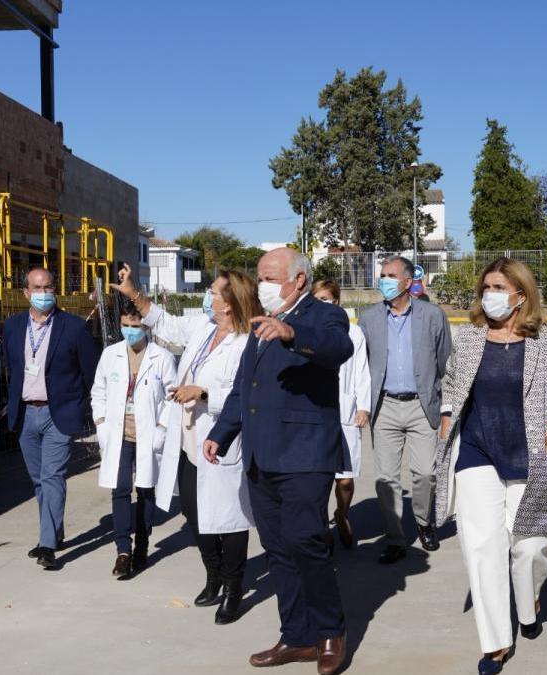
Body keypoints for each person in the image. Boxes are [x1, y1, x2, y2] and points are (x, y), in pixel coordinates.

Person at [205, 248, 353, 674]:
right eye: (261, 277)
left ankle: (329, 632)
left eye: (271, 277)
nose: (263, 284)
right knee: (278, 547)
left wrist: (290, 333)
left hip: (305, 453)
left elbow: (336, 346)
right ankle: (297, 636)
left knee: (306, 541)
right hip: (261, 455)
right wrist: (221, 434)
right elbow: (243, 388)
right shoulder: (258, 326)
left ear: (300, 280)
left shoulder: (322, 316)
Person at [432, 257, 547, 674]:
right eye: (485, 287)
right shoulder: (470, 337)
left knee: (529, 548)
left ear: (521, 296)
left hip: (530, 451)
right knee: (482, 546)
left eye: (498, 288)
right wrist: (447, 413)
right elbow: (453, 381)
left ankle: (528, 604)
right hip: (477, 450)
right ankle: (495, 642)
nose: (488, 295)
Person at [111, 264, 257, 625]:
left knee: (230, 518)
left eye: (214, 290)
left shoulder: (247, 341)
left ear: (228, 302)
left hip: (223, 439)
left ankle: (234, 588)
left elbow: (249, 392)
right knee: (194, 514)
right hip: (190, 439)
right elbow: (166, 323)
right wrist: (132, 293)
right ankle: (214, 575)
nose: (208, 294)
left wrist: (204, 392)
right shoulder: (204, 329)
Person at [358, 255, 452, 564]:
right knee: (386, 478)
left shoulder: (432, 315)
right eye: (382, 274)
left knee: (425, 473)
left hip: (421, 405)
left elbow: (444, 362)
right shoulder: (368, 318)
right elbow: (362, 366)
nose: (383, 280)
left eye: (390, 275)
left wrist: (445, 404)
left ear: (408, 281)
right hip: (384, 406)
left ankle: (424, 522)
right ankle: (396, 537)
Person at [3, 268, 98, 570]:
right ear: (26, 293)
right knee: (38, 480)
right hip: (26, 414)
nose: (43, 293)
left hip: (60, 414)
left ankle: (46, 545)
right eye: (37, 287)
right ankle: (54, 533)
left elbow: (91, 372)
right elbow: (12, 367)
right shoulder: (14, 327)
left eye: (48, 287)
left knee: (53, 476)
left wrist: (84, 408)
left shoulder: (73, 327)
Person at [90, 305, 178, 579]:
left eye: (135, 326)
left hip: (148, 434)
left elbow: (171, 397)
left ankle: (142, 544)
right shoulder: (110, 354)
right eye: (126, 325)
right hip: (119, 435)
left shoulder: (161, 357)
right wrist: (102, 422)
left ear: (146, 327)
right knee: (119, 490)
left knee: (146, 490)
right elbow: (99, 392)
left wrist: (162, 428)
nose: (130, 331)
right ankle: (123, 551)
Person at [312, 279, 371, 549]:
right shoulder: (305, 330)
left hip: (345, 411)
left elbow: (361, 371)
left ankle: (342, 513)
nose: (325, 303)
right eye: (319, 298)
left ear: (337, 301)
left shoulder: (354, 332)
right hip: (314, 413)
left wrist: (363, 406)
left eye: (329, 299)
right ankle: (321, 526)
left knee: (345, 479)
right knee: (318, 477)